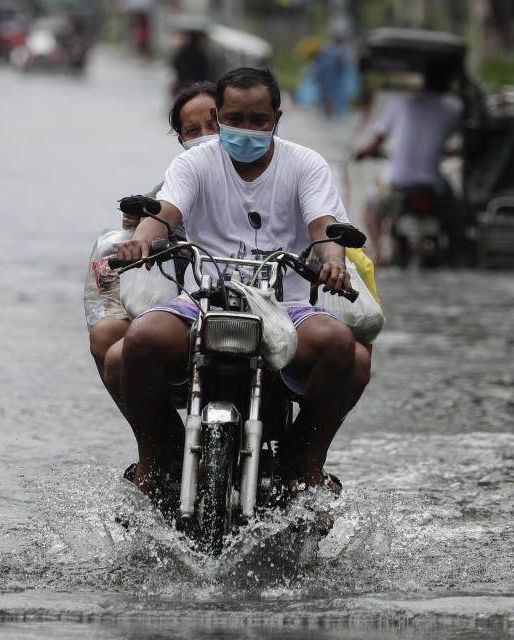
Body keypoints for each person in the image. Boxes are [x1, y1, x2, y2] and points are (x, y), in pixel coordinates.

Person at [116, 67, 371, 496]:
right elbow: (163, 214)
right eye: (234, 119)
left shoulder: (306, 164)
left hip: (285, 308)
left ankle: (306, 462)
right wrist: (140, 242)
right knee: (140, 339)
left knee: (339, 344)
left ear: (277, 117)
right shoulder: (193, 161)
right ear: (219, 114)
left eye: (258, 120)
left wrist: (333, 262)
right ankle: (156, 456)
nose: (246, 130)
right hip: (202, 300)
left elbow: (326, 230)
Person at [87, 82, 219, 416]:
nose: (206, 135)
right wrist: (137, 234)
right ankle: (161, 445)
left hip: (255, 299)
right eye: (194, 130)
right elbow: (159, 218)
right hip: (189, 299)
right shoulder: (175, 181)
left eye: (214, 125)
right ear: (181, 141)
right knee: (107, 335)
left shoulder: (277, 170)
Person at [353, 63, 462, 265]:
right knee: (456, 214)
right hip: (433, 188)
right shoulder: (451, 110)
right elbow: (463, 140)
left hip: (395, 185)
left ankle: (377, 255)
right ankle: (457, 253)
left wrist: (362, 153)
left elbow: (375, 143)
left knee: (370, 208)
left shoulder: (400, 104)